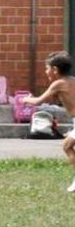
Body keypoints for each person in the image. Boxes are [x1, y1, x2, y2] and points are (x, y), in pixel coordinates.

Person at [22, 52, 75, 191]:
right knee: (67, 146)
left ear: (55, 70)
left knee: (67, 146)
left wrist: (25, 99)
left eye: (47, 68)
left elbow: (38, 101)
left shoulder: (58, 83)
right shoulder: (72, 80)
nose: (46, 72)